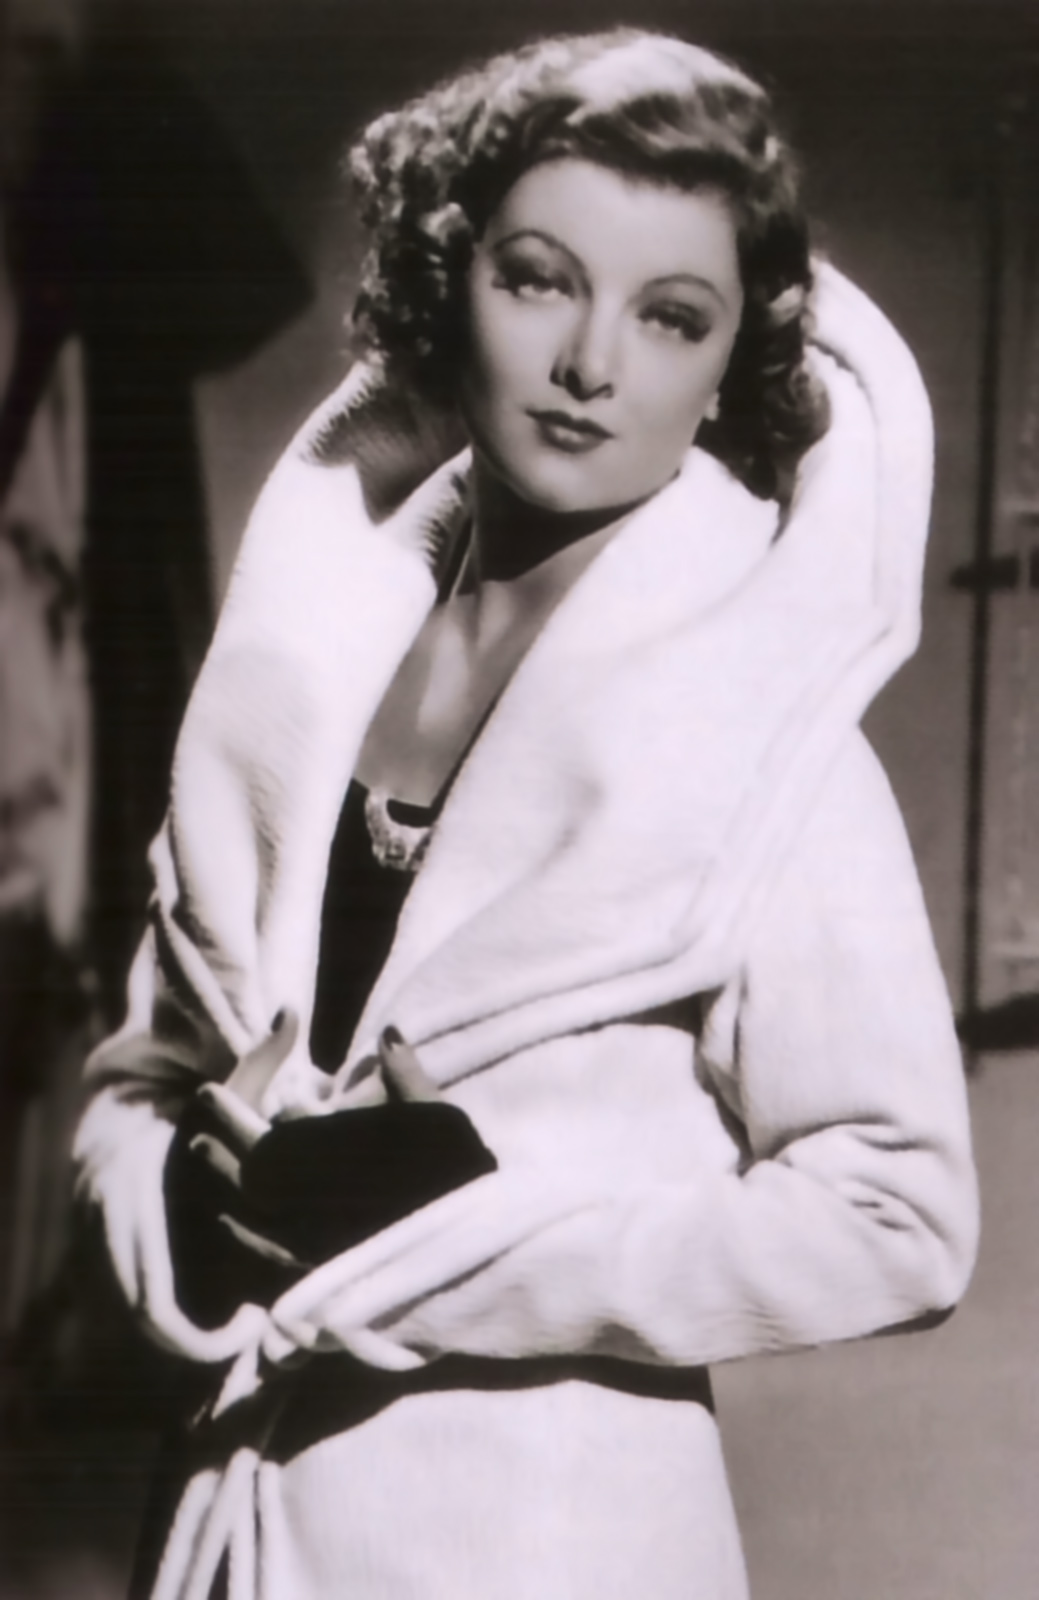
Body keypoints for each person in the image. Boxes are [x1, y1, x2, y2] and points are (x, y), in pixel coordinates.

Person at [72, 28, 978, 1600]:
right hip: (236, 1533)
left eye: (671, 316)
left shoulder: (774, 743)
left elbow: (899, 1213)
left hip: (552, 1548)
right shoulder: (301, 672)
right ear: (447, 283)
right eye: (541, 281)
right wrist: (180, 1213)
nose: (591, 367)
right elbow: (137, 1087)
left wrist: (485, 1232)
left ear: (731, 363)